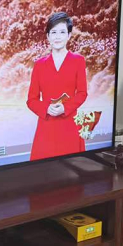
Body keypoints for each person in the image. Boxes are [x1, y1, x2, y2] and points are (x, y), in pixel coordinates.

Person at [27, 11, 88, 160]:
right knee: (43, 171)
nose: (57, 37)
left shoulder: (78, 61)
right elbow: (31, 100)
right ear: (48, 36)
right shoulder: (39, 65)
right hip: (46, 126)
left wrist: (65, 108)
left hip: (70, 124)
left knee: (73, 169)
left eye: (62, 32)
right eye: (53, 32)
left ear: (69, 35)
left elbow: (82, 93)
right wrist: (46, 108)